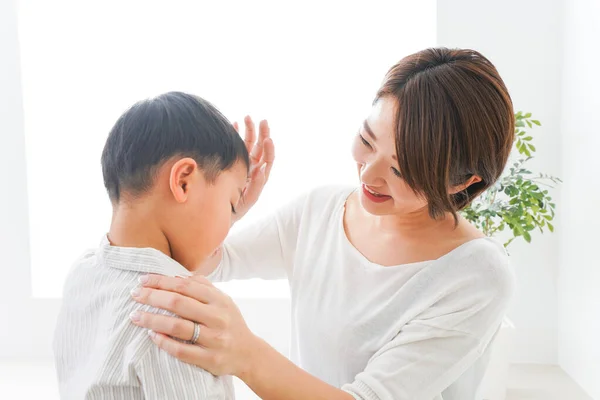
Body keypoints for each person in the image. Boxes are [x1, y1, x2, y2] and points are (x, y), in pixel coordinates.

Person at [130, 47, 516, 400]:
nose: (370, 174)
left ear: (462, 183)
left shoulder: (475, 274)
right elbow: (207, 262)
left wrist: (245, 355)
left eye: (401, 169)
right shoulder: (322, 210)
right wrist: (223, 210)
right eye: (367, 141)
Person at [52, 91, 269, 399]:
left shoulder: (83, 272)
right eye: (232, 204)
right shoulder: (180, 316)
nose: (229, 224)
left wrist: (225, 209)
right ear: (183, 181)